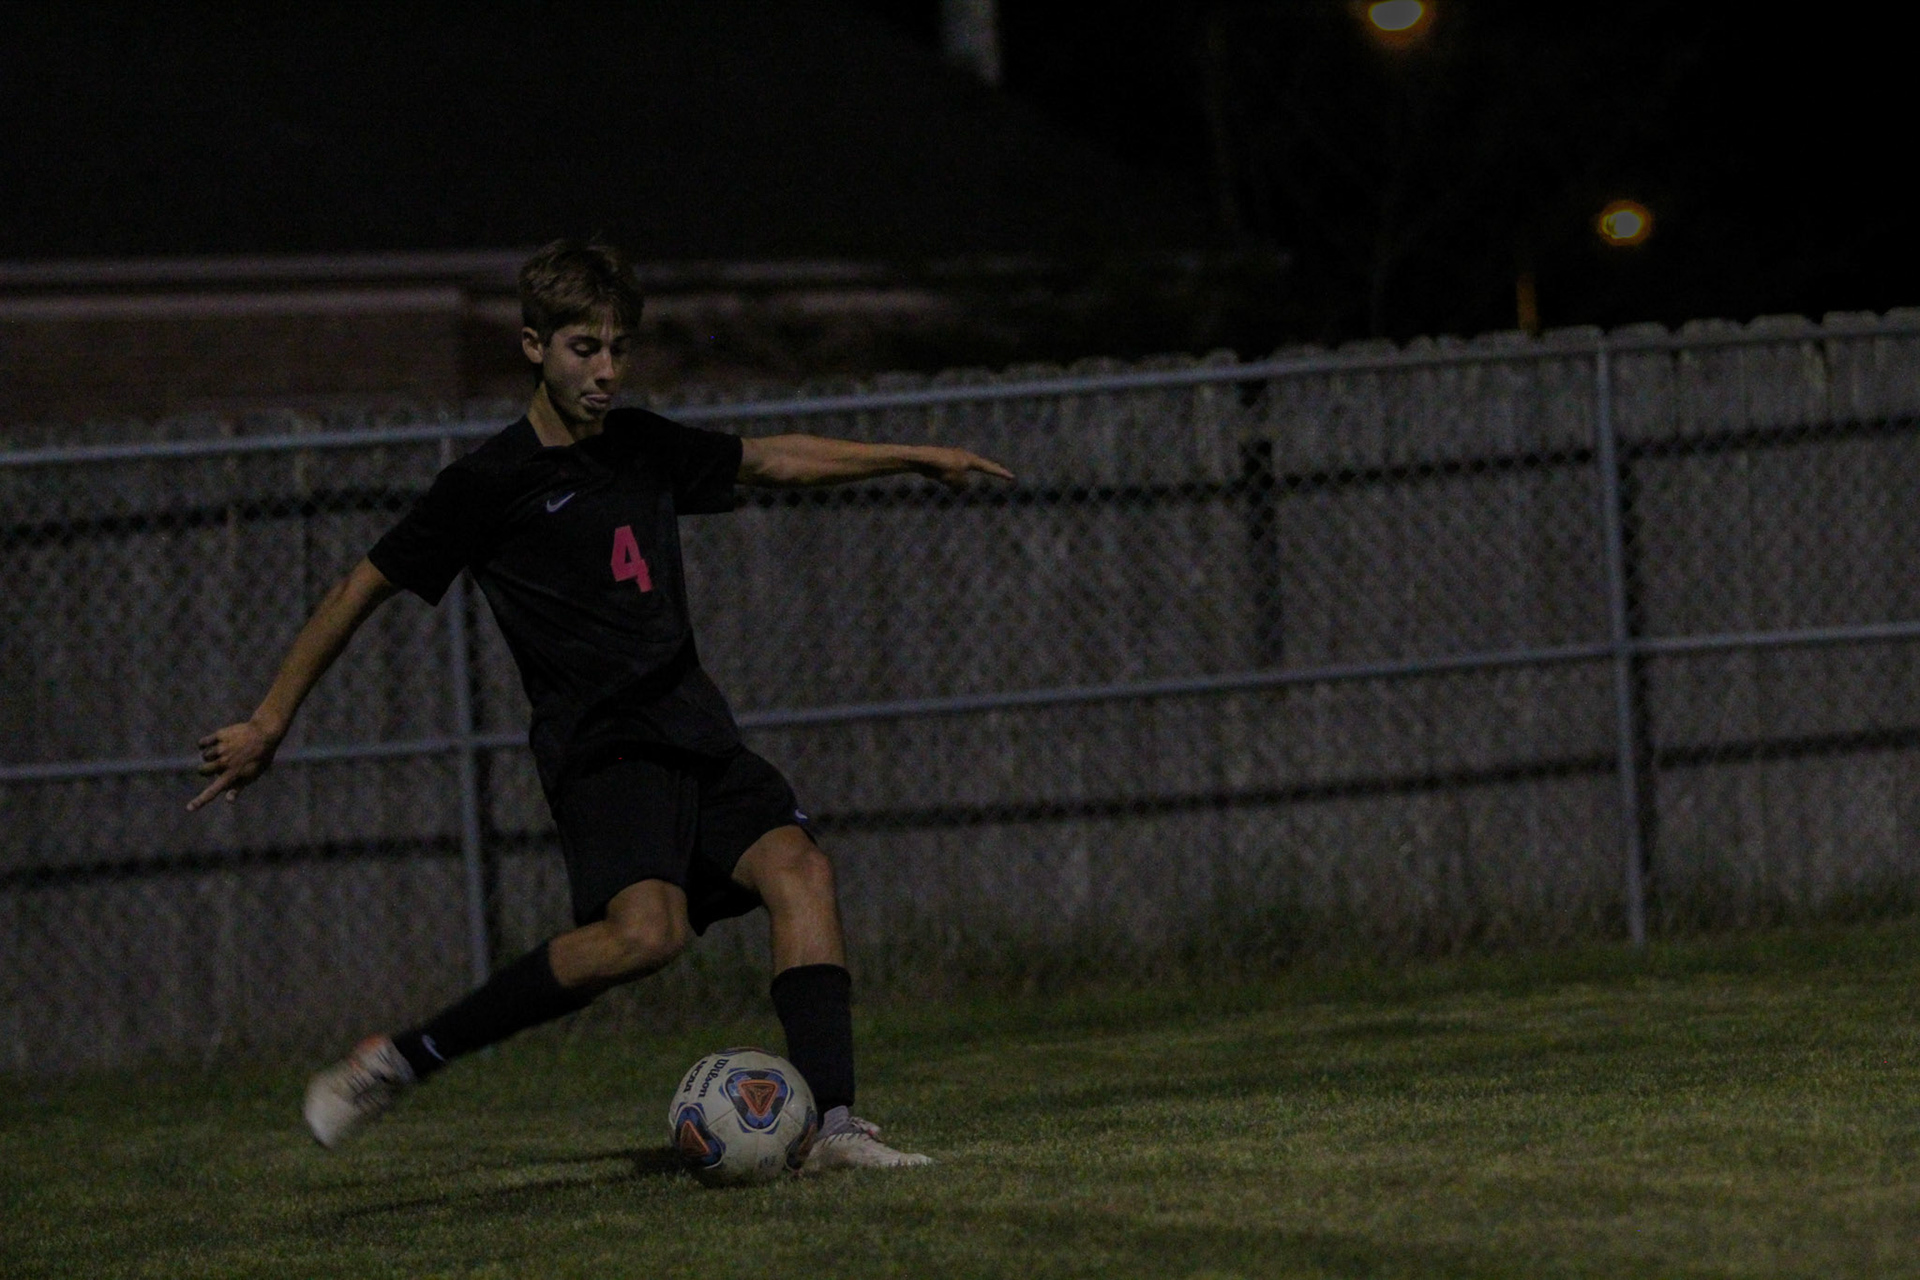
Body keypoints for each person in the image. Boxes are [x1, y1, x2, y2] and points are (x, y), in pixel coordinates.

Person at [189, 239, 1012, 1171]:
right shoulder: (487, 484)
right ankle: (402, 1059)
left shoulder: (642, 446)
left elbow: (774, 459)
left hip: (695, 728)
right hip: (604, 749)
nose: (607, 370)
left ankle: (834, 1128)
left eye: (619, 348)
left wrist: (912, 456)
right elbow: (357, 589)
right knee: (645, 937)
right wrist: (269, 721)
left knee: (802, 871)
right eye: (585, 348)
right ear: (534, 345)